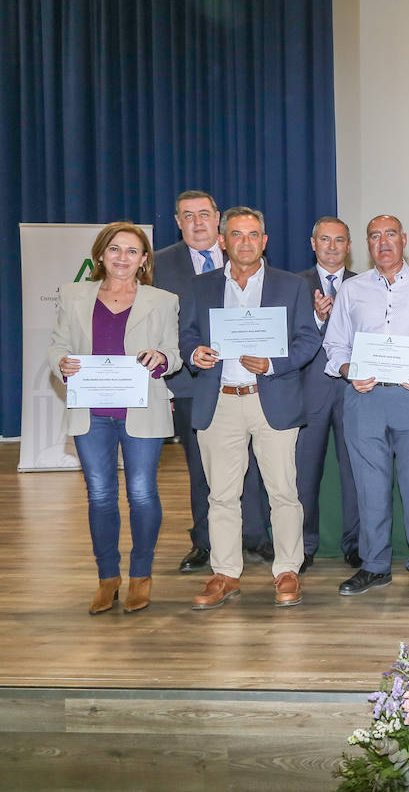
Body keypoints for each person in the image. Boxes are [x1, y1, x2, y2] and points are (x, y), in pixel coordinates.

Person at [180, 208, 320, 609]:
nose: (245, 242)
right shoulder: (200, 286)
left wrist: (274, 363)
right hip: (218, 399)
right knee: (221, 494)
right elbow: (187, 333)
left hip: (271, 399)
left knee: (284, 492)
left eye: (253, 234)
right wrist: (195, 352)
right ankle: (225, 573)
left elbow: (308, 340)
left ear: (265, 240)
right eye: (236, 235)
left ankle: (287, 570)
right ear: (222, 241)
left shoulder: (291, 285)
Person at [50, 222, 181, 614]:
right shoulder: (73, 295)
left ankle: (141, 575)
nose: (123, 257)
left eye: (132, 251)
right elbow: (58, 345)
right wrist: (60, 362)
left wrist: (162, 359)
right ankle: (108, 578)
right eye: (115, 249)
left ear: (143, 260)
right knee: (101, 495)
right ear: (101, 254)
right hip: (91, 412)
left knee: (141, 493)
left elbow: (173, 353)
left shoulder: (163, 299)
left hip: (142, 409)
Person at [323, 215, 409, 599]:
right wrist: (349, 370)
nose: (383, 242)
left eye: (390, 234)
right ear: (367, 243)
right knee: (370, 488)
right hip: (364, 398)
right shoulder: (352, 289)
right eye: (375, 236)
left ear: (404, 239)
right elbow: (335, 346)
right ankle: (375, 565)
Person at [153, 190, 271, 573]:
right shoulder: (158, 265)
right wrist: (163, 382)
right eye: (188, 216)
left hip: (252, 379)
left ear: (218, 219)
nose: (197, 222)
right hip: (191, 382)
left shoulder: (243, 253)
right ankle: (205, 542)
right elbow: (154, 327)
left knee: (252, 464)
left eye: (204, 214)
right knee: (202, 467)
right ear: (177, 221)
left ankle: (254, 537)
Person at [295, 216, 360, 573]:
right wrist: (319, 321)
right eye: (325, 240)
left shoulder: (365, 285)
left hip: (354, 389)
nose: (332, 247)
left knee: (354, 473)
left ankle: (356, 545)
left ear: (349, 246)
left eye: (339, 240)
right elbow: (289, 339)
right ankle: (304, 546)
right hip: (310, 389)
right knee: (305, 472)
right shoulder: (292, 285)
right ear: (313, 243)